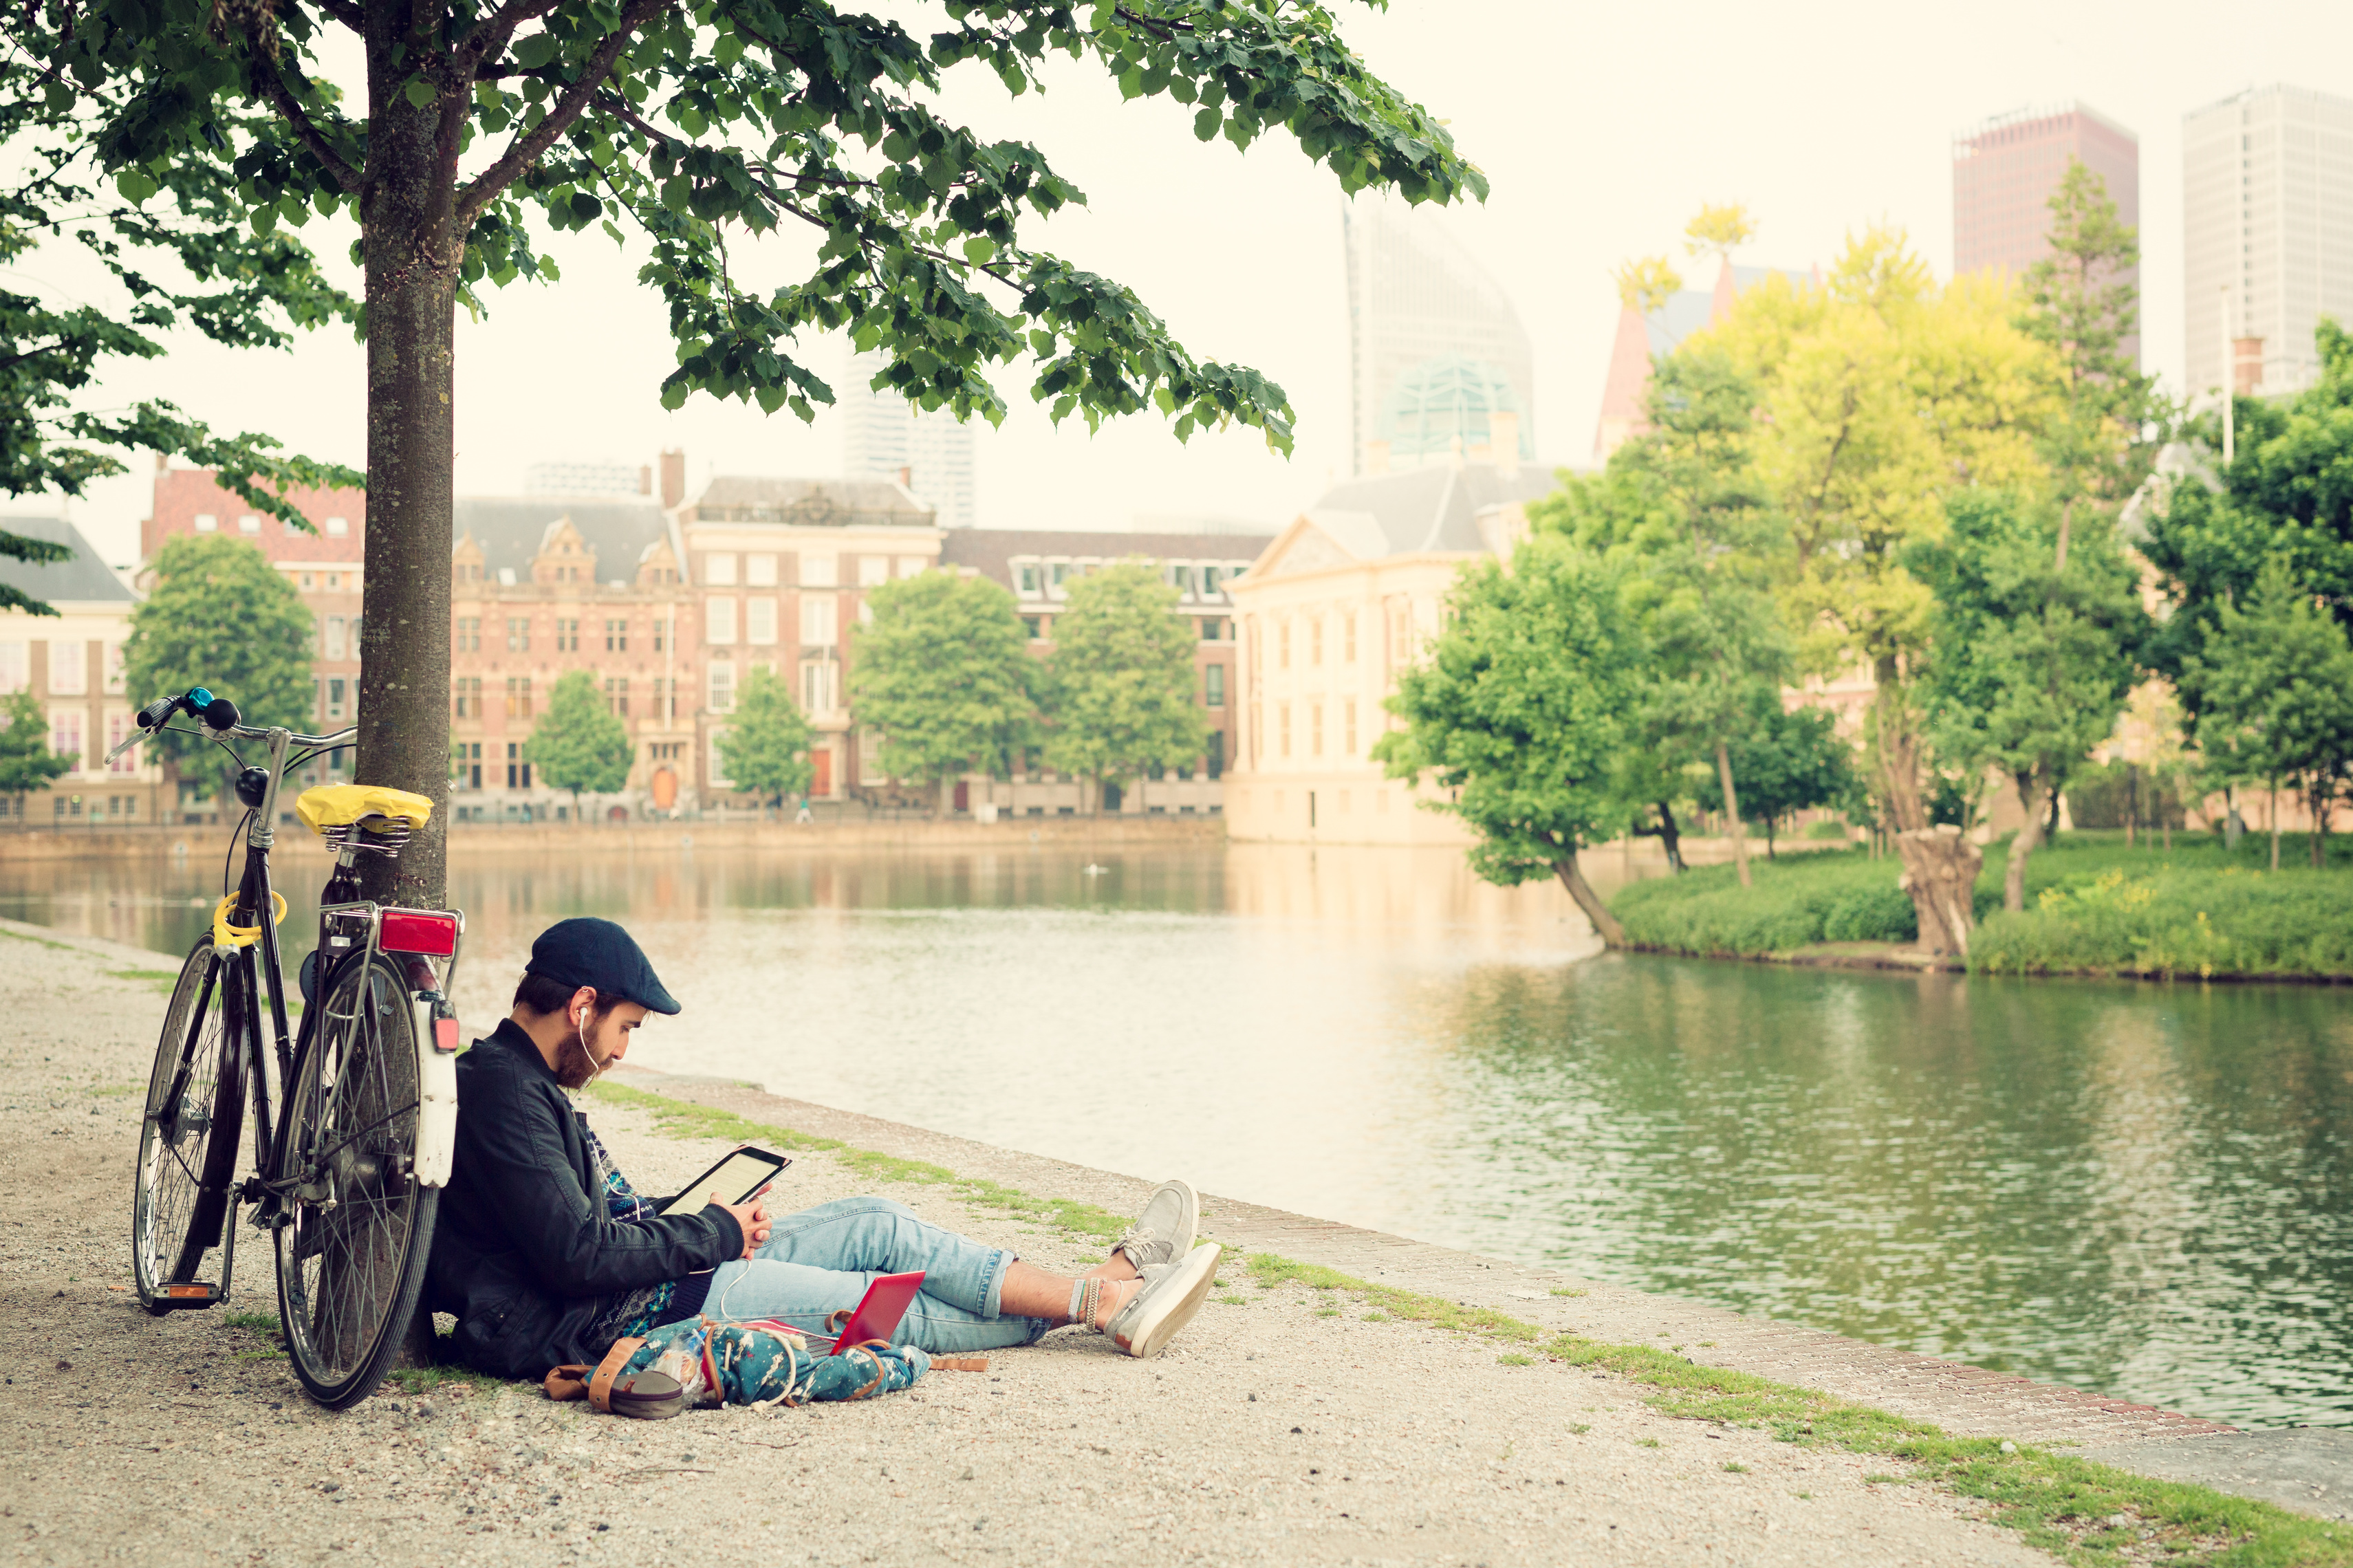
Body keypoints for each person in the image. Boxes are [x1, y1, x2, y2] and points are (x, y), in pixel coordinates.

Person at [426, 917, 1220, 1382]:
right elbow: (574, 1258)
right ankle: (1103, 1300)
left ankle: (1098, 1293)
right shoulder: (502, 1094)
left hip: (652, 1275)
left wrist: (705, 1221)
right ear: (582, 1006)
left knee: (880, 1221)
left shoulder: (521, 1087)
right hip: (615, 1316)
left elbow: (588, 1229)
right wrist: (715, 1232)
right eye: (626, 1027)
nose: (624, 1050)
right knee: (883, 1301)